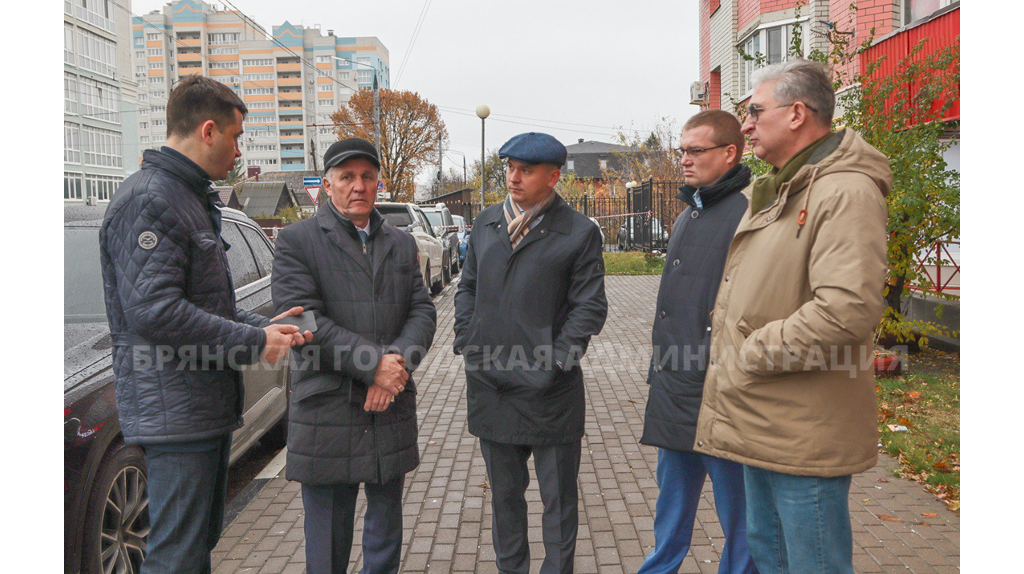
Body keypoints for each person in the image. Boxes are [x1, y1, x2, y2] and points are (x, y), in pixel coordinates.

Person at [99, 75, 310, 573]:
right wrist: (253, 340)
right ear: (209, 130)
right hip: (176, 413)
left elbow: (202, 305)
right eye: (237, 137)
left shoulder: (187, 197)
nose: (239, 151)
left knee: (192, 550)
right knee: (176, 557)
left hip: (198, 408)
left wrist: (263, 328)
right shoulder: (150, 199)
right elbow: (155, 312)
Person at [693, 58, 891, 574]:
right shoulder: (788, 184)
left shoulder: (842, 191)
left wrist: (749, 353)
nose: (748, 124)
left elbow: (847, 310)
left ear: (798, 113)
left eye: (756, 111)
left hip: (803, 429)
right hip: (766, 418)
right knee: (771, 556)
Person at [271, 138, 437, 574]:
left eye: (367, 176)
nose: (358, 186)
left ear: (378, 182)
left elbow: (422, 309)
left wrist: (395, 366)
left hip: (389, 408)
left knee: (385, 535)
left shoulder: (400, 243)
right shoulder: (296, 241)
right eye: (347, 177)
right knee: (327, 544)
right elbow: (304, 320)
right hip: (327, 408)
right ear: (328, 185)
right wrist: (374, 367)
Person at [454, 132, 608, 573]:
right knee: (504, 502)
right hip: (491, 386)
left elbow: (590, 305)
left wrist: (557, 362)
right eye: (509, 168)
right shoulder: (485, 223)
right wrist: (469, 339)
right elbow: (467, 289)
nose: (513, 177)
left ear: (553, 176)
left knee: (558, 505)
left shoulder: (578, 232)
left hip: (550, 392)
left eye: (525, 170)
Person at [638, 111, 758, 574]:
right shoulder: (690, 213)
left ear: (729, 153)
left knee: (741, 518)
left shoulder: (750, 216)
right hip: (675, 388)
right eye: (681, 151)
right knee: (670, 512)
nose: (684, 160)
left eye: (695, 151)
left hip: (721, 394)